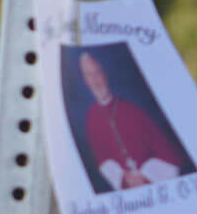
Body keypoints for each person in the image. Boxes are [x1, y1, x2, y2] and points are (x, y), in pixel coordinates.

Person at [77, 50, 185, 192]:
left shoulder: (131, 110)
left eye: (98, 72)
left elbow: (167, 152)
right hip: (126, 191)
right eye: (89, 75)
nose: (96, 80)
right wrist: (123, 177)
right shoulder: (91, 118)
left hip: (155, 186)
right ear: (85, 80)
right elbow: (102, 159)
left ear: (105, 75)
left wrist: (145, 176)